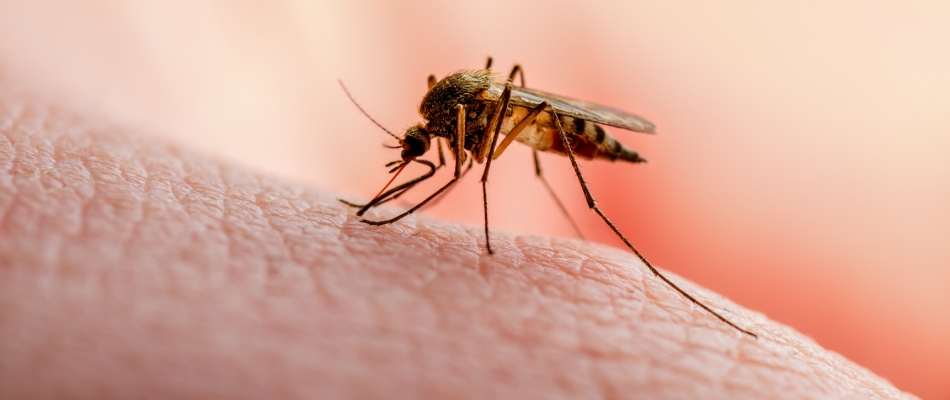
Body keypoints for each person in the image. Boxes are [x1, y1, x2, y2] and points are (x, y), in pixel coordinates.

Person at [0, 92, 913, 399]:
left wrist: (440, 188)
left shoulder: (466, 115)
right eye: (413, 154)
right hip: (507, 112)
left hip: (549, 120)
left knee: (531, 146)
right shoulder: (441, 121)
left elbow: (462, 154)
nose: (417, 151)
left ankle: (608, 226)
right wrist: (396, 194)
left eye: (413, 148)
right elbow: (439, 155)